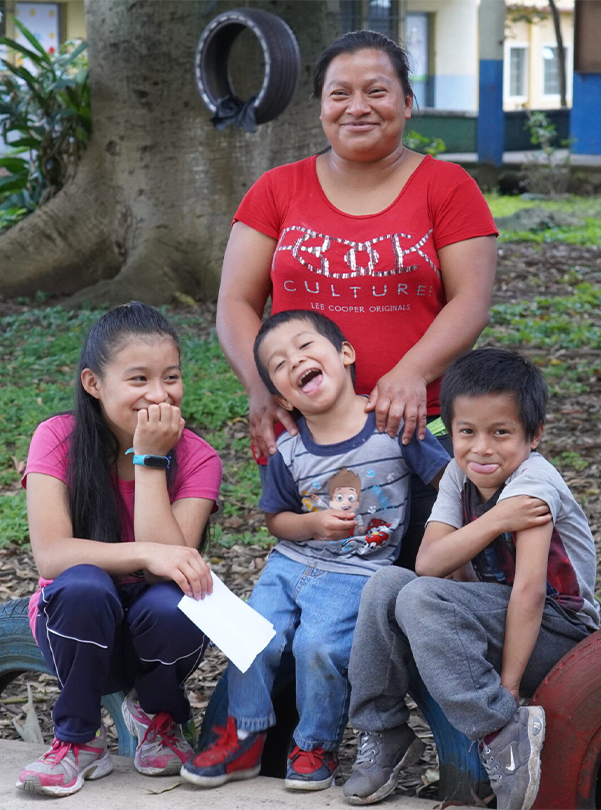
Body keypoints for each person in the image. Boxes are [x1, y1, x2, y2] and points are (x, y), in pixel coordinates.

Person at [216, 29, 497, 569]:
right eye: (339, 93)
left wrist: (411, 371)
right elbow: (235, 301)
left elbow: (470, 301)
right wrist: (259, 385)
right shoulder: (277, 189)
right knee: (321, 575)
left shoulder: (448, 186)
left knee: (423, 577)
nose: (357, 107)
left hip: (418, 427)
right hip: (309, 434)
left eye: (377, 91)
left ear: (408, 103)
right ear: (321, 107)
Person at [182, 310, 450, 791]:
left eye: (306, 346)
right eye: (280, 363)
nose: (295, 360)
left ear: (345, 354)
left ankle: (315, 745)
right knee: (251, 636)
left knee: (317, 647)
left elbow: (447, 480)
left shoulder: (391, 426)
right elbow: (276, 520)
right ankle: (242, 737)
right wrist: (310, 524)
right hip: (291, 564)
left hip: (357, 573)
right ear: (282, 396)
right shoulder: (288, 450)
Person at [344, 348, 600, 810]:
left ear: (533, 434)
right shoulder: (460, 478)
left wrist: (508, 687)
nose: (481, 448)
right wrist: (495, 519)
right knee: (387, 586)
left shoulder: (533, 485)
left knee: (420, 598)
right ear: (452, 431)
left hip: (559, 632)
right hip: (491, 614)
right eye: (467, 432)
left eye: (500, 432)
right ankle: (384, 733)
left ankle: (503, 734)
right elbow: (430, 561)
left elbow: (530, 592)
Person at [16, 303, 221, 798]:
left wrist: (150, 459)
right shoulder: (57, 438)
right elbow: (51, 556)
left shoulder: (197, 456)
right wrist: (142, 554)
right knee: (84, 585)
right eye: (138, 379)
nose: (158, 394)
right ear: (93, 383)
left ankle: (159, 717)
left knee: (171, 602)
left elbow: (172, 566)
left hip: (157, 630)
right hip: (78, 625)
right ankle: (77, 740)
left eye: (170, 377)